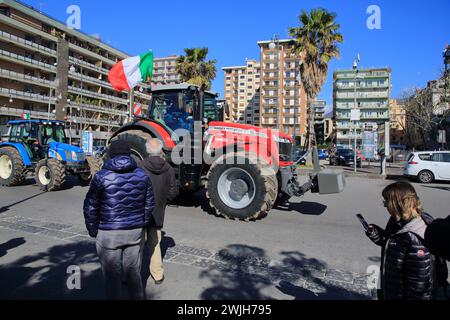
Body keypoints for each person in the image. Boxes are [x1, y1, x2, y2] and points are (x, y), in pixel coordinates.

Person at [83, 140, 155, 300]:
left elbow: (90, 206)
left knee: (112, 278)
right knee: (134, 274)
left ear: (111, 155)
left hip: (109, 233)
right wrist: (142, 222)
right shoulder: (142, 175)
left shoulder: (101, 176)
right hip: (135, 232)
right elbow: (150, 203)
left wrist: (93, 229)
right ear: (129, 154)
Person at [365, 181, 437, 300]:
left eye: (386, 202)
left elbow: (419, 289)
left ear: (398, 204)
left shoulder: (416, 238)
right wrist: (375, 234)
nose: (385, 206)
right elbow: (393, 244)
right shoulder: (398, 220)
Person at [138, 138, 178, 285]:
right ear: (160, 150)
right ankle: (157, 275)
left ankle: (133, 275)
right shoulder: (168, 168)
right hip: (158, 213)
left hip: (141, 213)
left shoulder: (140, 166)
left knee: (137, 246)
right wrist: (162, 200)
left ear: (148, 150)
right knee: (155, 244)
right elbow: (173, 191)